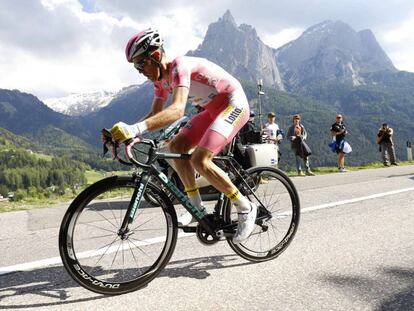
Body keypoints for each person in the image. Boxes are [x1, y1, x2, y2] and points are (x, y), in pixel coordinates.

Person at [110, 29, 256, 244]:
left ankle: (245, 207)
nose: (139, 71)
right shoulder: (160, 81)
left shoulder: (180, 67)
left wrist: (135, 129)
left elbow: (177, 110)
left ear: (156, 56)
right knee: (174, 148)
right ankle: (197, 209)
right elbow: (155, 114)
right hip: (211, 110)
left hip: (233, 105)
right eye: (135, 66)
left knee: (199, 159)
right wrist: (127, 132)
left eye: (141, 64)